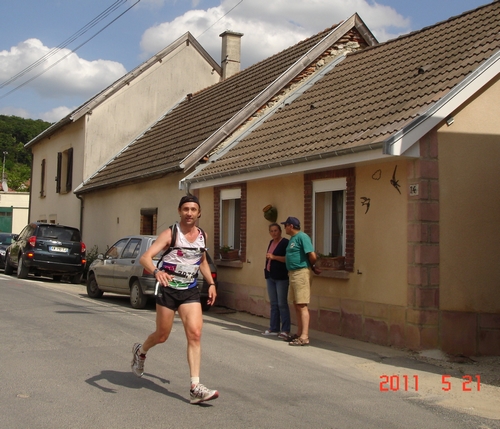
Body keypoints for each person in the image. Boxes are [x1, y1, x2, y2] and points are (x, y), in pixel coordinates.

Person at [131, 195, 219, 404]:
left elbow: (202, 261)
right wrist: (156, 272)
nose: (189, 213)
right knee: (162, 335)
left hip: (189, 290)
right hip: (168, 290)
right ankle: (140, 351)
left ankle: (195, 387)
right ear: (180, 211)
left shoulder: (202, 236)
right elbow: (145, 257)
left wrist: (211, 283)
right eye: (186, 209)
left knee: (195, 334)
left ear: (199, 213)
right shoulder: (171, 233)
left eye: (193, 209)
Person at [281, 216, 320, 346]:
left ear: (290, 226)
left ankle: (304, 336)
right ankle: (298, 333)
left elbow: (312, 255)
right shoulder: (293, 239)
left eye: (285, 225)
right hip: (292, 274)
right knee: (296, 303)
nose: (284, 228)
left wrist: (311, 266)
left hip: (301, 273)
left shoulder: (303, 237)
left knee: (302, 304)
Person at [262, 223, 290, 339]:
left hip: (281, 277)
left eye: (276, 230)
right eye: (272, 231)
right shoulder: (271, 242)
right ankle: (274, 327)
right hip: (270, 276)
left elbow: (288, 259)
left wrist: (274, 257)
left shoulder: (285, 243)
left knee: (282, 303)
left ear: (280, 231)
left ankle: (285, 330)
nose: (274, 233)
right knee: (273, 303)